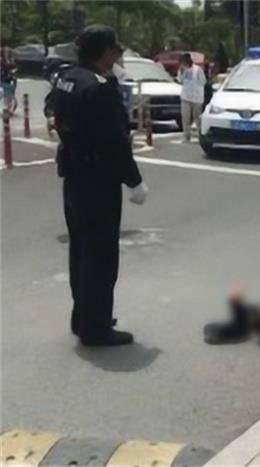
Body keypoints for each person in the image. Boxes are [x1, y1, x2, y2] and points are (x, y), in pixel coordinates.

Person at [50, 25, 148, 346]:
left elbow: (53, 112)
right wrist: (134, 181)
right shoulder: (98, 87)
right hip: (98, 181)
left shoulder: (67, 78)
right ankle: (96, 328)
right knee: (100, 257)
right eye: (114, 50)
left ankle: (84, 317)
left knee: (81, 251)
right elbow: (114, 141)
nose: (117, 55)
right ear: (103, 51)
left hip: (74, 176)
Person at [177, 53, 206, 142]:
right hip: (185, 97)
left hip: (197, 98)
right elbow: (180, 80)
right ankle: (186, 136)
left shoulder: (197, 70)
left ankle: (201, 136)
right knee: (185, 117)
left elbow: (203, 81)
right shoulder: (182, 70)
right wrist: (182, 72)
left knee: (197, 117)